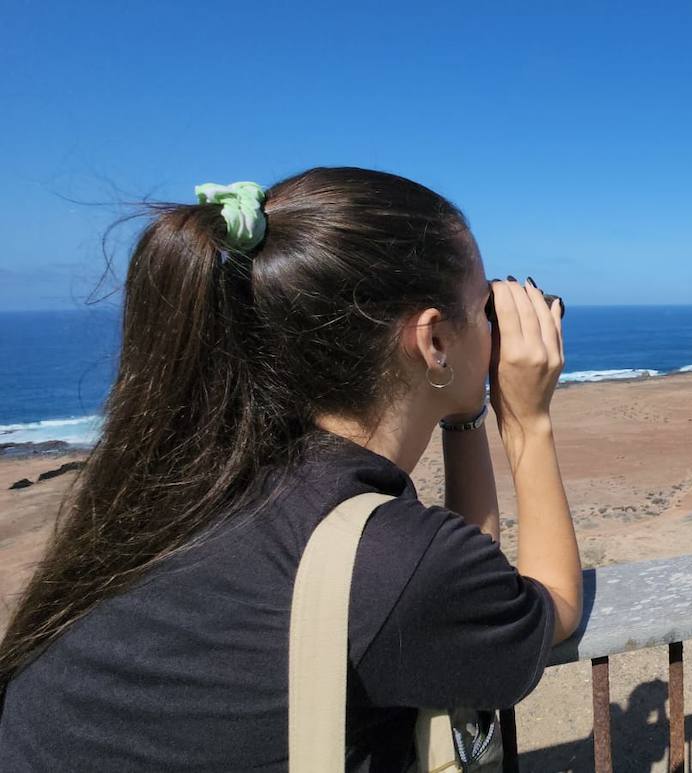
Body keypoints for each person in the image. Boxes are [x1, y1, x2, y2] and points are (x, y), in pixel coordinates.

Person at [0, 168, 583, 770]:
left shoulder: (191, 484)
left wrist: (465, 416)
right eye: (484, 306)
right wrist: (527, 418)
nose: (497, 323)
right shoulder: (391, 561)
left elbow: (463, 607)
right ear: (433, 340)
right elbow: (554, 607)